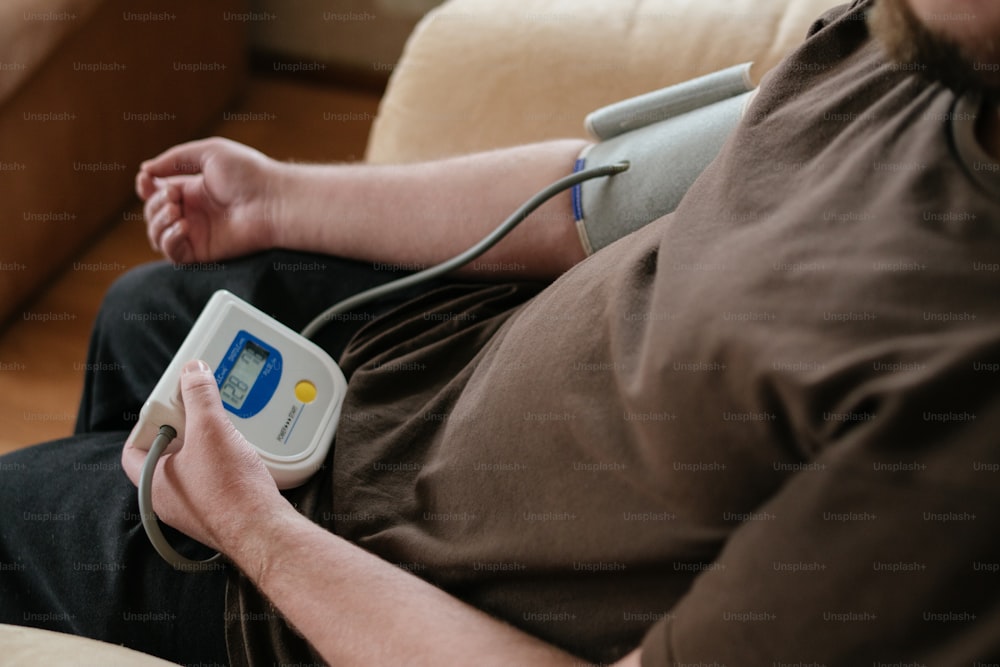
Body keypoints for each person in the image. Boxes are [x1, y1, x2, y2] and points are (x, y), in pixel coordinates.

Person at [3, 0, 1000, 664]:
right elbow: (596, 196)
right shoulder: (914, 42)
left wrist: (257, 536)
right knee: (151, 310)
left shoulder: (959, 410)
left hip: (380, 581)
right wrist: (278, 198)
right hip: (436, 359)